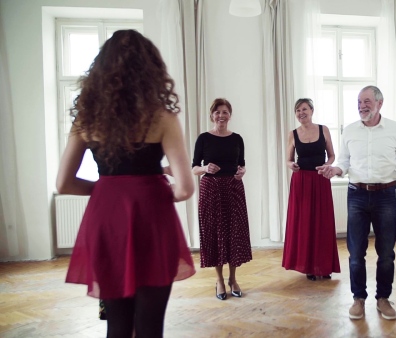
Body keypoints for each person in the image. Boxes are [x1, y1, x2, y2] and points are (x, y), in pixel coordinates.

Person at [57, 29, 196, 337]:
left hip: (106, 220)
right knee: (150, 326)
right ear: (150, 70)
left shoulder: (87, 118)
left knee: (117, 325)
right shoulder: (163, 117)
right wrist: (151, 190)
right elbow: (185, 188)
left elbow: (63, 183)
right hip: (153, 219)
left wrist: (107, 192)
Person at [317, 85, 396, 321]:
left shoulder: (395, 129)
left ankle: (383, 298)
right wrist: (335, 169)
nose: (362, 106)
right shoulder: (350, 131)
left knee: (386, 253)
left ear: (379, 103)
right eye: (359, 102)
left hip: (386, 195)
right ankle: (358, 299)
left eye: (366, 101)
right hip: (357, 195)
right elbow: (343, 161)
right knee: (355, 253)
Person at [192, 98, 252, 300]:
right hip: (210, 189)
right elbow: (194, 168)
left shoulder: (237, 139)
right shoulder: (203, 138)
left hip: (233, 188)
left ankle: (233, 279)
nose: (221, 116)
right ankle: (218, 280)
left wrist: (242, 171)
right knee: (215, 234)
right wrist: (204, 168)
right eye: (217, 112)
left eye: (225, 112)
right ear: (212, 115)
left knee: (234, 233)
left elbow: (242, 165)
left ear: (230, 115)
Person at [282, 98, 341, 281]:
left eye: (304, 109)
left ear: (312, 110)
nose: (301, 113)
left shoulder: (323, 129)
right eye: (298, 110)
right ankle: (308, 265)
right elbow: (288, 159)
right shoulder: (293, 133)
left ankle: (324, 266)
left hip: (321, 179)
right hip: (301, 182)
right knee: (305, 223)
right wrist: (291, 165)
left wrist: (327, 165)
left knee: (322, 223)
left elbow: (331, 155)